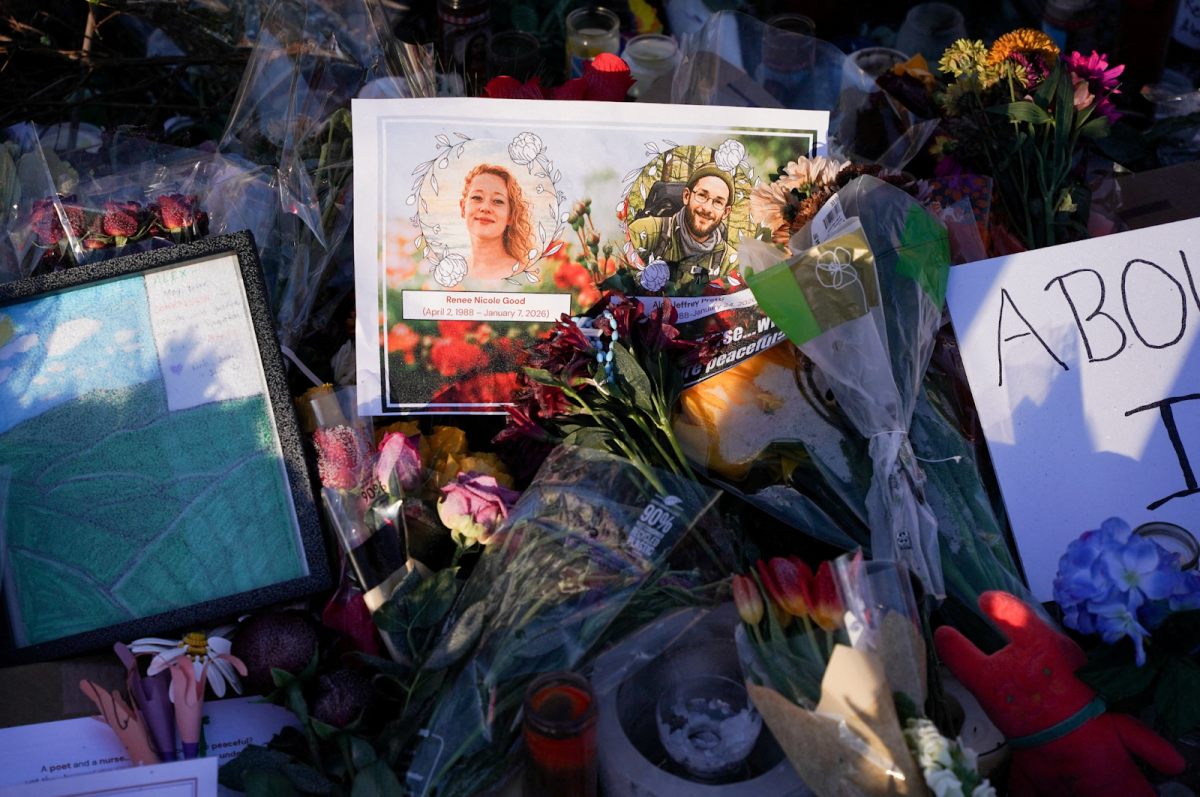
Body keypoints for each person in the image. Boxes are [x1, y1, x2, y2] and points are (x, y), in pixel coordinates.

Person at [626, 164, 736, 288]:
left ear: (726, 212)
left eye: (718, 202)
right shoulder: (644, 232)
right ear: (687, 196)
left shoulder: (730, 262)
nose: (707, 208)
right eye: (702, 195)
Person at [459, 164, 536, 281]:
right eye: (477, 198)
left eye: (498, 201)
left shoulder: (526, 275)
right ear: (463, 208)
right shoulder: (450, 273)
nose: (485, 208)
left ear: (510, 215)